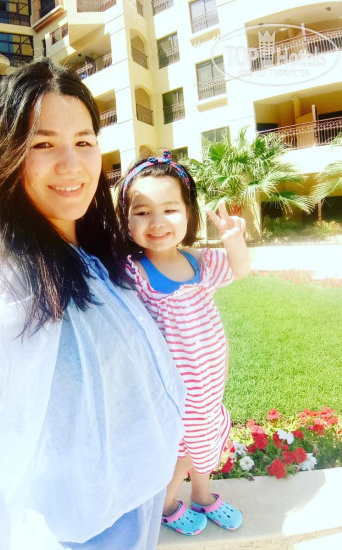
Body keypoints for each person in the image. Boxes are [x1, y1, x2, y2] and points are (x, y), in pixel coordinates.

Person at [0, 60, 186, 550]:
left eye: (84, 142)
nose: (72, 164)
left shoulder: (89, 249)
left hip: (131, 512)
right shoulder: (9, 276)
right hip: (82, 535)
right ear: (8, 155)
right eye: (43, 144)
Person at [115, 151, 250, 536]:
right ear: (126, 219)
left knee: (206, 442)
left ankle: (203, 496)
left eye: (170, 209)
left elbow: (241, 269)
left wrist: (233, 240)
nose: (157, 222)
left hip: (209, 383)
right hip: (171, 391)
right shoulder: (134, 271)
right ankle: (166, 504)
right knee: (181, 452)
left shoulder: (200, 262)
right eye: (142, 212)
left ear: (188, 213)